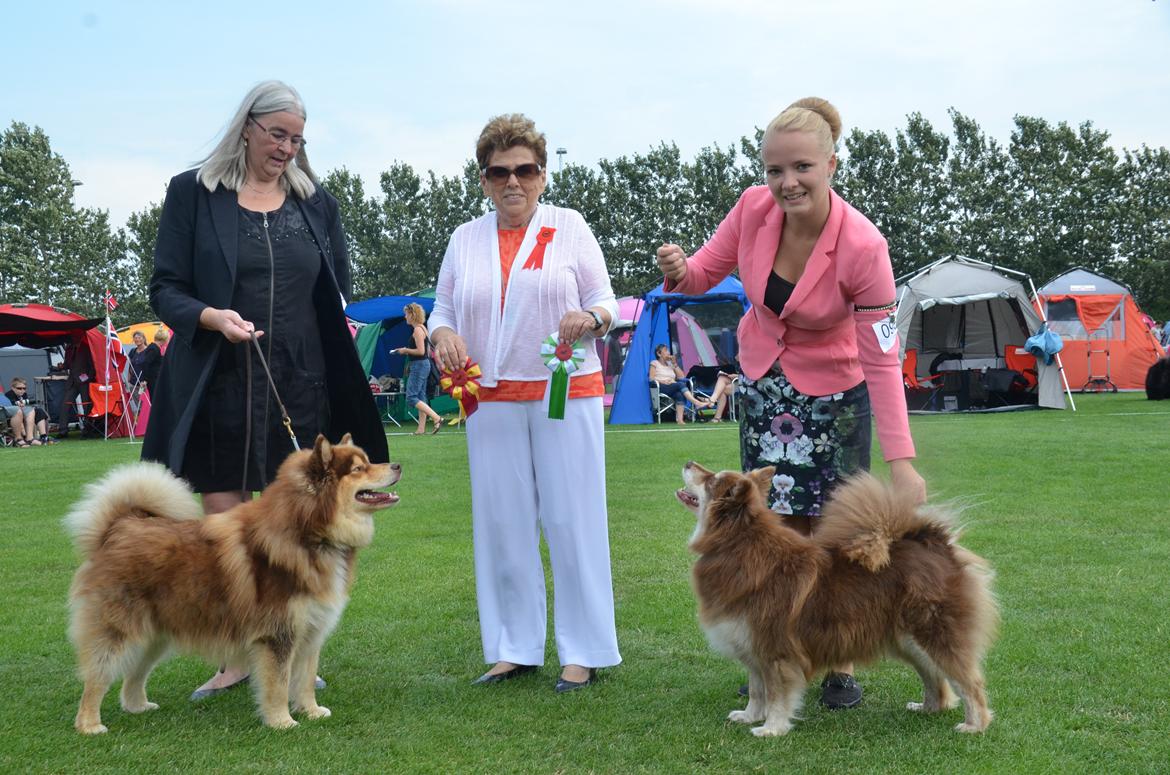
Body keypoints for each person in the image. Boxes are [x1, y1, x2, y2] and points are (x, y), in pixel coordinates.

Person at [656, 97, 926, 711]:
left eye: (801, 167)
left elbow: (883, 360)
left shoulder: (864, 246)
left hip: (837, 393)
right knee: (767, 523)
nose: (786, 182)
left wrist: (902, 462)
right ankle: (773, 646)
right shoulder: (753, 208)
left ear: (832, 163)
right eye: (774, 169)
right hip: (763, 381)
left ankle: (841, 660)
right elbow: (702, 274)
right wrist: (680, 267)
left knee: (833, 524)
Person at [143, 80, 388, 700]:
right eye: (278, 134)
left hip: (299, 379)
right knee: (225, 527)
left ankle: (292, 651)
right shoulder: (193, 193)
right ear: (246, 127)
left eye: (298, 139)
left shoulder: (316, 204)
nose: (287, 148)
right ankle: (234, 656)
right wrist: (210, 317)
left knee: (296, 522)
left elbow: (331, 290)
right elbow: (165, 287)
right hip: (216, 375)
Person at [430, 113, 621, 693]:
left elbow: (605, 302)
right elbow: (441, 310)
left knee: (572, 519)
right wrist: (441, 335)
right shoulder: (464, 238)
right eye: (498, 171)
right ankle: (514, 647)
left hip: (567, 391)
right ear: (483, 178)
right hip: (488, 398)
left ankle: (583, 650)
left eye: (525, 169)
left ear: (542, 173)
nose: (512, 181)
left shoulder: (571, 226)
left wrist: (590, 319)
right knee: (502, 523)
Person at [394, 302, 443, 435]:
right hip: (423, 364)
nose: (405, 317)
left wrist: (405, 350)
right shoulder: (423, 328)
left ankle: (437, 418)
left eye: (406, 314)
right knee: (421, 397)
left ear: (412, 314)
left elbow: (421, 351)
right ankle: (420, 429)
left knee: (411, 397)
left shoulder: (417, 330)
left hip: (419, 365)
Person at [648, 344, 715, 424]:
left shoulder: (670, 364)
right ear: (659, 353)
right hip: (661, 387)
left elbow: (681, 376)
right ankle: (697, 402)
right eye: (666, 350)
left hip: (672, 386)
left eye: (668, 350)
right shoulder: (654, 363)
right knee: (680, 384)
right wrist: (662, 381)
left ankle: (680, 420)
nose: (669, 352)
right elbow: (651, 378)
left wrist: (675, 364)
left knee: (679, 394)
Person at [5, 377, 54, 446]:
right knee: (25, 411)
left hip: (25, 412)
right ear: (13, 388)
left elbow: (26, 404)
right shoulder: (9, 395)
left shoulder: (24, 394)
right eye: (19, 388)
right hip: (15, 415)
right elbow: (12, 407)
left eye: (24, 388)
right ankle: (28, 438)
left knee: (39, 411)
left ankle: (43, 436)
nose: (22, 390)